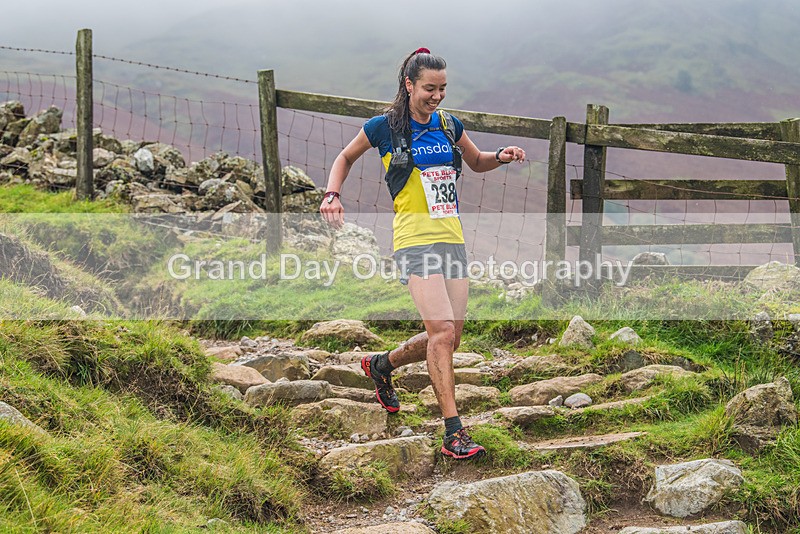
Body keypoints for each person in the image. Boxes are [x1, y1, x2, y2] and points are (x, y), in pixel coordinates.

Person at [320, 48, 525, 460]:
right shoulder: (384, 127)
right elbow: (344, 157)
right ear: (409, 85)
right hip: (414, 239)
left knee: (449, 338)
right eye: (429, 88)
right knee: (443, 333)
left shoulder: (449, 125)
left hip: (452, 238)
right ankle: (453, 433)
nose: (437, 96)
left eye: (443, 88)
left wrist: (500, 157)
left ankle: (381, 365)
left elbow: (477, 161)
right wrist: (332, 193)